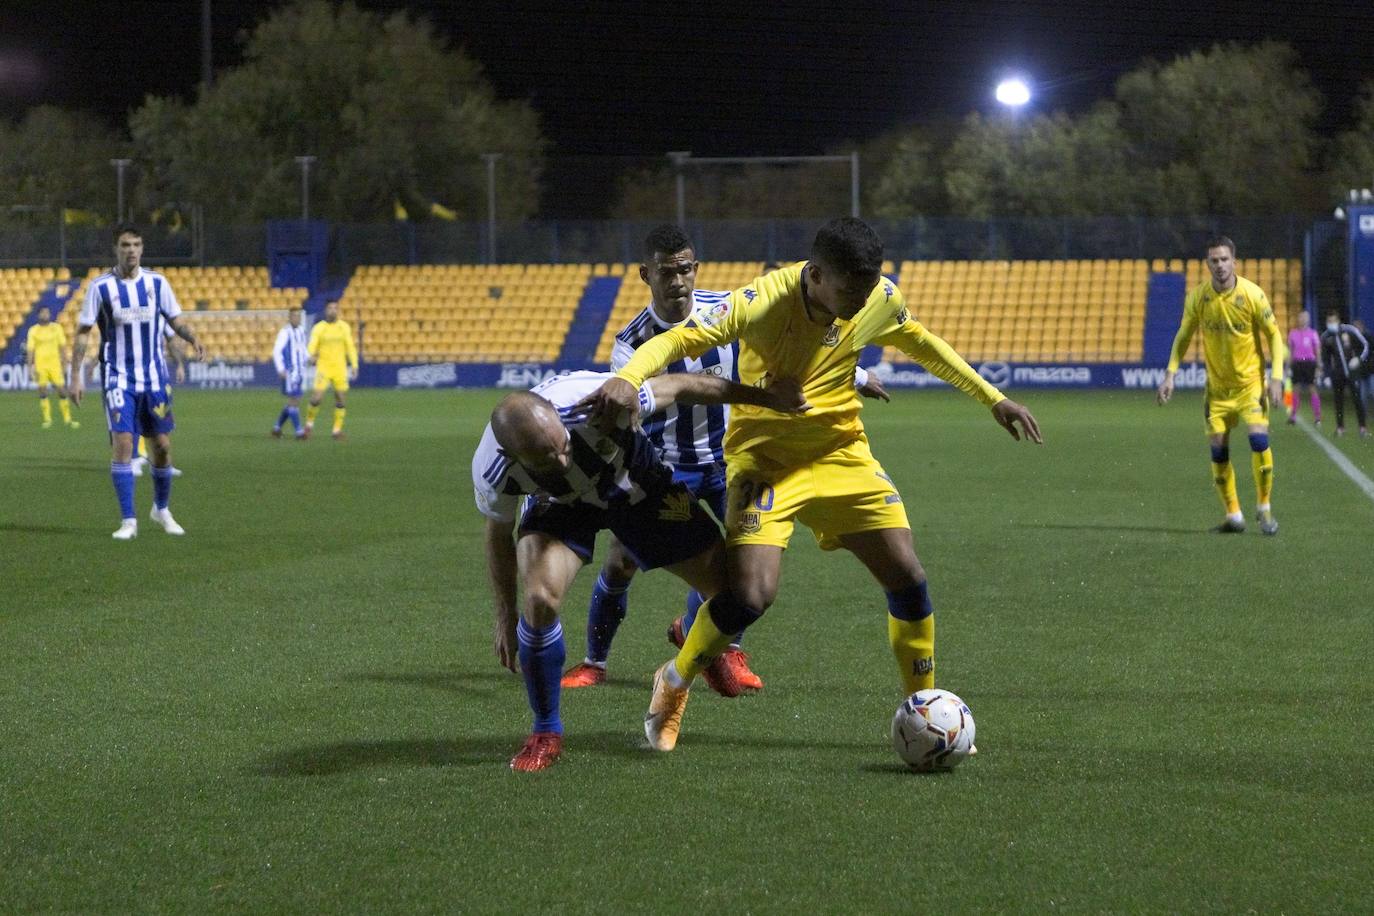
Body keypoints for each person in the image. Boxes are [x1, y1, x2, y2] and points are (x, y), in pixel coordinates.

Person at [576, 217, 1042, 753]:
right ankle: (675, 681)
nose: (863, 300)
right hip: (763, 460)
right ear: (816, 275)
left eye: (869, 289)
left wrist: (993, 398)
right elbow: (680, 338)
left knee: (908, 578)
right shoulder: (762, 301)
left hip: (841, 453)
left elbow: (921, 342)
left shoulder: (875, 297)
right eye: (851, 291)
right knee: (749, 597)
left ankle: (922, 706)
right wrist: (627, 379)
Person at [560, 225, 891, 696]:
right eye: (666, 272)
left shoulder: (725, 310)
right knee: (620, 564)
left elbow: (792, 345)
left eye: (686, 269)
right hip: (667, 466)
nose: (678, 280)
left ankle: (719, 648)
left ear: (696, 269)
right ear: (645, 275)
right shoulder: (631, 344)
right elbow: (632, 406)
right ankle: (595, 661)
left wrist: (855, 374)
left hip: (727, 457)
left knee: (742, 570)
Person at [473, 369, 806, 771]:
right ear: (515, 457)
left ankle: (691, 630)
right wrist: (505, 615)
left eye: (562, 446)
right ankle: (546, 731)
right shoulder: (492, 470)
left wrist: (764, 397)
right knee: (539, 600)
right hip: (559, 506)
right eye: (547, 459)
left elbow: (683, 385)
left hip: (635, 485)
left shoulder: (595, 401)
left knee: (736, 593)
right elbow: (498, 535)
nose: (562, 458)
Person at [69, 224, 205, 539]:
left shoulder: (158, 283)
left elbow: (175, 320)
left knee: (161, 447)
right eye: (125, 244)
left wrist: (193, 338)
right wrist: (75, 376)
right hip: (118, 378)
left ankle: (161, 508)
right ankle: (128, 521)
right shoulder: (100, 287)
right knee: (124, 444)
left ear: (142, 249)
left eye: (136, 244)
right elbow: (82, 334)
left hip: (155, 378)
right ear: (116, 249)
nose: (131, 250)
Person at [1158, 236, 1284, 535]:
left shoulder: (1252, 295)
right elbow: (1183, 336)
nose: (1220, 265)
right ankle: (1234, 516)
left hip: (1250, 385)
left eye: (1224, 259)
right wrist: (1170, 373)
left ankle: (1264, 508)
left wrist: (1276, 377)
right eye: (1214, 260)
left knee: (1258, 440)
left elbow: (1275, 336)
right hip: (1216, 391)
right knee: (1218, 451)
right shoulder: (1198, 298)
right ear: (1207, 264)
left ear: (1234, 261)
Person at [305, 300, 357, 440]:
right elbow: (312, 344)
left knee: (340, 399)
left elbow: (350, 347)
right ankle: (309, 425)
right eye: (330, 308)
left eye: (335, 308)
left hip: (340, 368)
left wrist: (354, 365)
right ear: (325, 310)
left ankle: (336, 431)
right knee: (316, 398)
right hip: (324, 367)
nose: (333, 310)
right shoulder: (319, 328)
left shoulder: (344, 327)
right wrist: (310, 356)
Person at [24, 307, 78, 429]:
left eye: (47, 313)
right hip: (40, 365)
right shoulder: (33, 330)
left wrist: (65, 363)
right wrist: (29, 366)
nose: (45, 315)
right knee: (42, 390)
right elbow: (30, 350)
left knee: (61, 390)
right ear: (38, 315)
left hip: (55, 365)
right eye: (43, 313)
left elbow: (63, 347)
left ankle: (68, 419)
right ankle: (47, 419)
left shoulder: (56, 328)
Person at [1319, 311, 1369, 437]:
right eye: (1329, 321)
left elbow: (1365, 345)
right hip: (1338, 373)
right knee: (1338, 400)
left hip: (1352, 371)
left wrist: (1358, 359)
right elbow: (1325, 359)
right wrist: (1327, 375)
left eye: (1333, 321)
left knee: (1357, 399)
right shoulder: (1326, 337)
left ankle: (1362, 427)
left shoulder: (1349, 330)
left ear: (1338, 320)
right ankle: (1340, 428)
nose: (1331, 324)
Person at [271, 306, 308, 439]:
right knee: (294, 399)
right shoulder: (285, 332)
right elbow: (276, 351)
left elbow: (302, 349)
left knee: (295, 400)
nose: (296, 318)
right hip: (289, 372)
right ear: (289, 317)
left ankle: (277, 427)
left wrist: (310, 358)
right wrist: (280, 368)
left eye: (298, 316)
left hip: (299, 372)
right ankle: (299, 431)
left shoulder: (301, 331)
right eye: (294, 316)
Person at [1285, 310, 1321, 426]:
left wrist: (1319, 365)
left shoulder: (1313, 333)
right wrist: (1287, 367)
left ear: (1308, 319)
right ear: (1298, 319)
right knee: (1295, 390)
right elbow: (1291, 352)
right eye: (1301, 317)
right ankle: (1293, 415)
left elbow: (1317, 351)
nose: (1303, 319)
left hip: (1309, 363)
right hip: (1297, 363)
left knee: (1312, 389)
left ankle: (1317, 417)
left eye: (1305, 317)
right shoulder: (1293, 333)